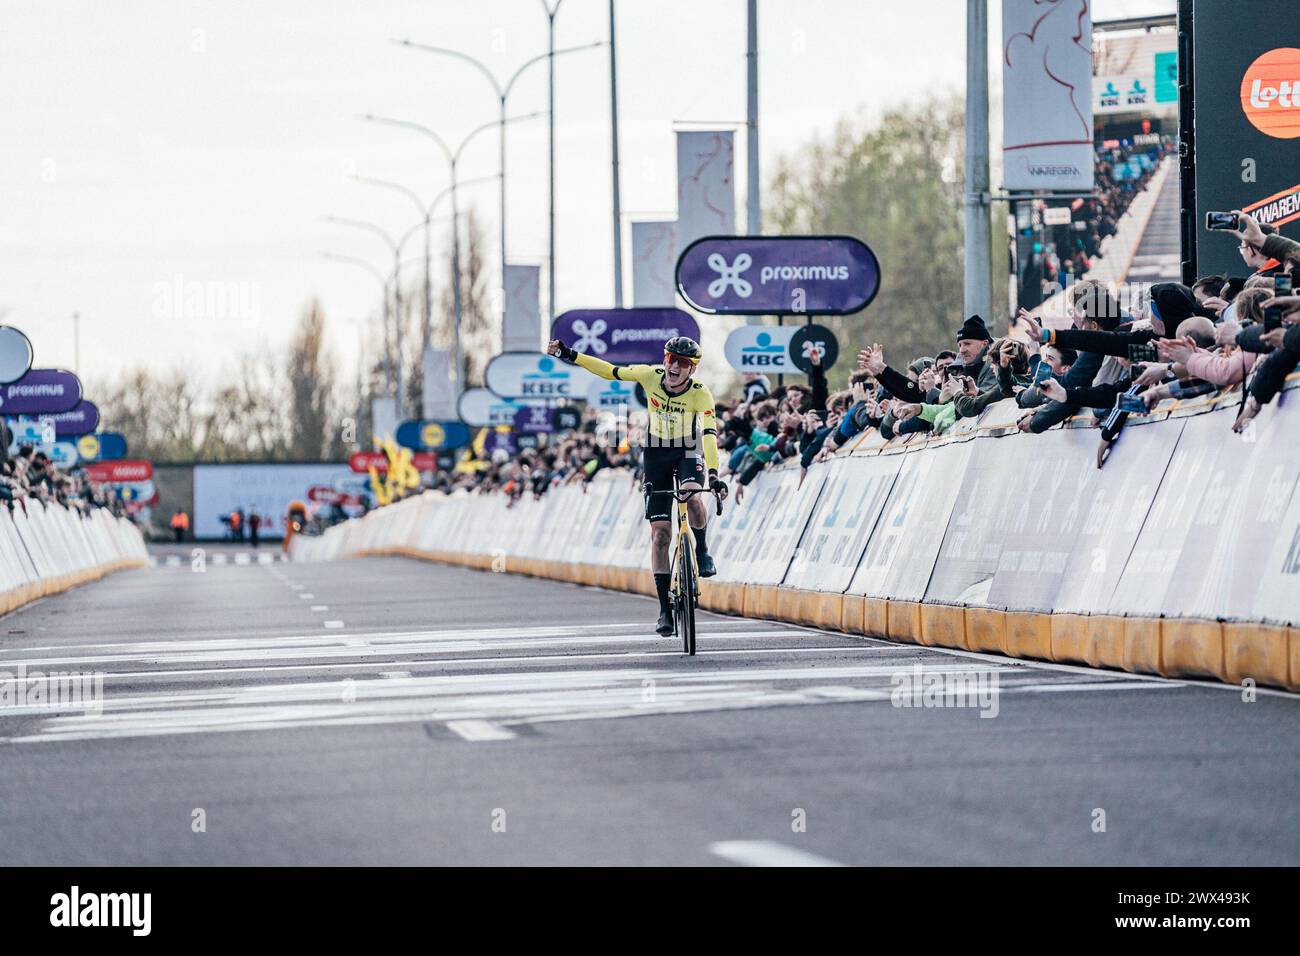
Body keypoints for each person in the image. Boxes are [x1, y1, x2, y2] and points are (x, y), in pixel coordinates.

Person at [548, 334, 728, 636]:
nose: (674, 367)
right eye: (671, 359)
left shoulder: (701, 393)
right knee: (660, 534)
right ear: (665, 359)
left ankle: (702, 550)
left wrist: (712, 474)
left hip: (688, 448)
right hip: (656, 451)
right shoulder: (649, 375)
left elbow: (709, 434)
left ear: (692, 370)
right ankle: (664, 610)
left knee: (693, 496)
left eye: (683, 363)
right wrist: (569, 353)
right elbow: (609, 370)